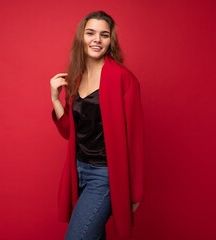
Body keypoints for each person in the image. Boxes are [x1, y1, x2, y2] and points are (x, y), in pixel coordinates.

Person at [50, 11, 144, 240]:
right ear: (81, 37)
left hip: (105, 176)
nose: (97, 40)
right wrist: (55, 99)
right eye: (90, 33)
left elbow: (135, 138)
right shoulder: (76, 76)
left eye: (104, 35)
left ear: (110, 41)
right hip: (79, 170)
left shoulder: (124, 79)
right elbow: (70, 133)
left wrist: (135, 191)